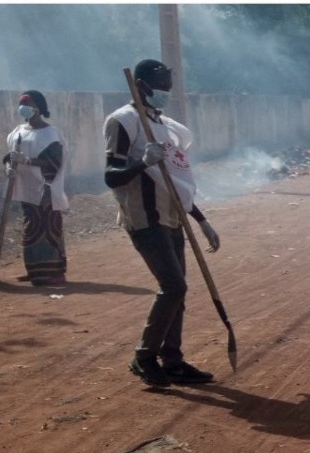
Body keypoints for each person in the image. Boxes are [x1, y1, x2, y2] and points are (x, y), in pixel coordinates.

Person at [104, 59, 220, 388]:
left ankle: (173, 360)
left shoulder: (163, 124)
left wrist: (201, 219)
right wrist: (142, 162)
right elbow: (111, 176)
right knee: (174, 287)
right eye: (160, 85)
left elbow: (176, 181)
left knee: (177, 293)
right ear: (140, 85)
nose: (166, 91)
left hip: (173, 217)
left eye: (169, 85)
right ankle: (143, 357)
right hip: (145, 218)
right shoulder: (123, 121)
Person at [4, 91, 68, 287]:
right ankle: (34, 269)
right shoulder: (17, 132)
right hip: (25, 188)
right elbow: (9, 157)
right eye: (21, 104)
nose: (23, 107)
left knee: (48, 227)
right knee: (31, 227)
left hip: (45, 188)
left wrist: (27, 161)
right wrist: (9, 168)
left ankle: (54, 272)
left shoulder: (51, 134)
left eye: (27, 104)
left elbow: (54, 161)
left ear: (38, 108)